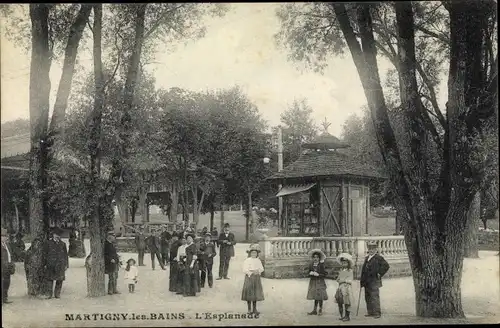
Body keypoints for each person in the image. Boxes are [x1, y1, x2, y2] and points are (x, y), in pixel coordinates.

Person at [360, 241, 390, 319]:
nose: (371, 250)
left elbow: (386, 266)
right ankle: (370, 312)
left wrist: (380, 273)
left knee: (374, 296)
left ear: (376, 249)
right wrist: (362, 281)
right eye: (370, 248)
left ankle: (377, 313)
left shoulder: (378, 258)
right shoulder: (367, 258)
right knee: (368, 296)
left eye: (373, 249)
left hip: (374, 281)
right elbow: (363, 270)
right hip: (367, 281)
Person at [43, 227, 69, 299]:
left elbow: (65, 255)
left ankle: (57, 294)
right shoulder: (48, 243)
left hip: (60, 264)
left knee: (59, 280)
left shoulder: (63, 244)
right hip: (50, 265)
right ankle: (49, 294)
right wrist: (44, 264)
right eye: (56, 235)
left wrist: (66, 264)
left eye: (59, 235)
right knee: (49, 280)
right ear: (53, 235)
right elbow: (44, 254)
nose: (57, 236)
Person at [241, 244, 264, 315]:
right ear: (250, 253)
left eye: (255, 253)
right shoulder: (247, 260)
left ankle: (254, 309)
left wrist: (258, 271)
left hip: (256, 278)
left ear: (257, 254)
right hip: (249, 278)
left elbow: (262, 269)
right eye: (252, 253)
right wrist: (250, 272)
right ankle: (249, 309)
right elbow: (244, 269)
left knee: (255, 294)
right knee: (249, 293)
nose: (254, 254)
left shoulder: (258, 260)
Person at [306, 249, 328, 316]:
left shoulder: (321, 265)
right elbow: (308, 272)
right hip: (313, 282)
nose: (316, 258)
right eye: (314, 257)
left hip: (320, 282)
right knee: (315, 296)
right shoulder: (311, 264)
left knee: (320, 296)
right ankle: (314, 310)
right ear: (312, 258)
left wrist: (318, 274)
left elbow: (325, 274)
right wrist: (310, 273)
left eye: (317, 257)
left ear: (319, 258)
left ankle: (320, 309)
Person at [335, 253, 354, 321]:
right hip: (340, 288)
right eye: (343, 263)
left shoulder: (350, 271)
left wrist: (343, 280)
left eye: (345, 263)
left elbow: (350, 280)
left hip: (346, 288)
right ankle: (342, 315)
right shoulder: (341, 270)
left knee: (347, 302)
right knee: (340, 301)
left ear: (348, 264)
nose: (344, 264)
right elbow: (338, 278)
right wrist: (338, 279)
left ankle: (347, 316)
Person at [104, 231, 120, 295]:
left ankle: (115, 289)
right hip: (110, 263)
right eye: (113, 236)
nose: (114, 238)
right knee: (111, 277)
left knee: (115, 276)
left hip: (115, 262)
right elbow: (105, 254)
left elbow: (114, 253)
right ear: (109, 237)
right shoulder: (106, 244)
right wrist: (110, 259)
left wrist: (117, 259)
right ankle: (110, 290)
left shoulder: (111, 244)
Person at [1, 228, 15, 304]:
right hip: (2, 267)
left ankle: (5, 298)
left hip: (8, 267)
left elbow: (10, 255)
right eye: (3, 236)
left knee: (7, 283)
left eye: (5, 236)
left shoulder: (7, 245)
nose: (5, 238)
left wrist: (11, 264)